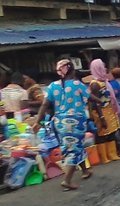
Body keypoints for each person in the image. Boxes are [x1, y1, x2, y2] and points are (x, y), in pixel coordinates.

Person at [31, 59, 93, 190]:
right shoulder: (78, 84)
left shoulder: (53, 86)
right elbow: (91, 97)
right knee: (73, 149)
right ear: (72, 70)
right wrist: (102, 100)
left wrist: (37, 121)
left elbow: (44, 105)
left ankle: (85, 171)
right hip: (75, 121)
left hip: (59, 122)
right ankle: (67, 180)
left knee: (74, 146)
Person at [88, 59, 120, 163]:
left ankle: (112, 154)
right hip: (101, 112)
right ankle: (104, 157)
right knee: (103, 134)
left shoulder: (105, 81)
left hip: (109, 110)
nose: (105, 68)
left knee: (111, 132)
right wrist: (101, 117)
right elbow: (95, 102)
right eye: (102, 66)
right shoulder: (95, 84)